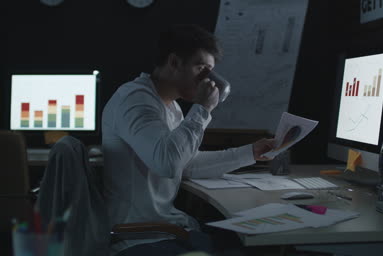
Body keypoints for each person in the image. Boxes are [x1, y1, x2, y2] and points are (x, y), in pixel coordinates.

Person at [101, 24, 275, 255]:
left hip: (167, 229)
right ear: (174, 63)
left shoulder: (170, 106)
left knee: (245, 244)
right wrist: (203, 108)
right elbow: (168, 164)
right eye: (201, 68)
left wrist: (250, 152)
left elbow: (187, 163)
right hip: (138, 237)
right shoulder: (134, 100)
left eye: (210, 71)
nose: (208, 80)